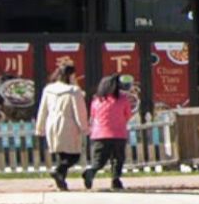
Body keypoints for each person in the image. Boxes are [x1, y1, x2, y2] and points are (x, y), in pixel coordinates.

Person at [32, 63, 88, 191]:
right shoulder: (73, 91)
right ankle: (58, 171)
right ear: (71, 75)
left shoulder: (48, 89)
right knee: (74, 155)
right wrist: (84, 127)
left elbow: (43, 109)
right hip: (68, 124)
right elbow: (79, 111)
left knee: (62, 154)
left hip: (52, 123)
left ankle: (61, 182)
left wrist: (40, 127)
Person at [81, 76, 134, 191]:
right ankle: (115, 180)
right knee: (117, 159)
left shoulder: (96, 100)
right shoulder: (123, 99)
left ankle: (91, 171)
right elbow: (128, 115)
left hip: (99, 134)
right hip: (118, 134)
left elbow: (93, 116)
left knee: (99, 160)